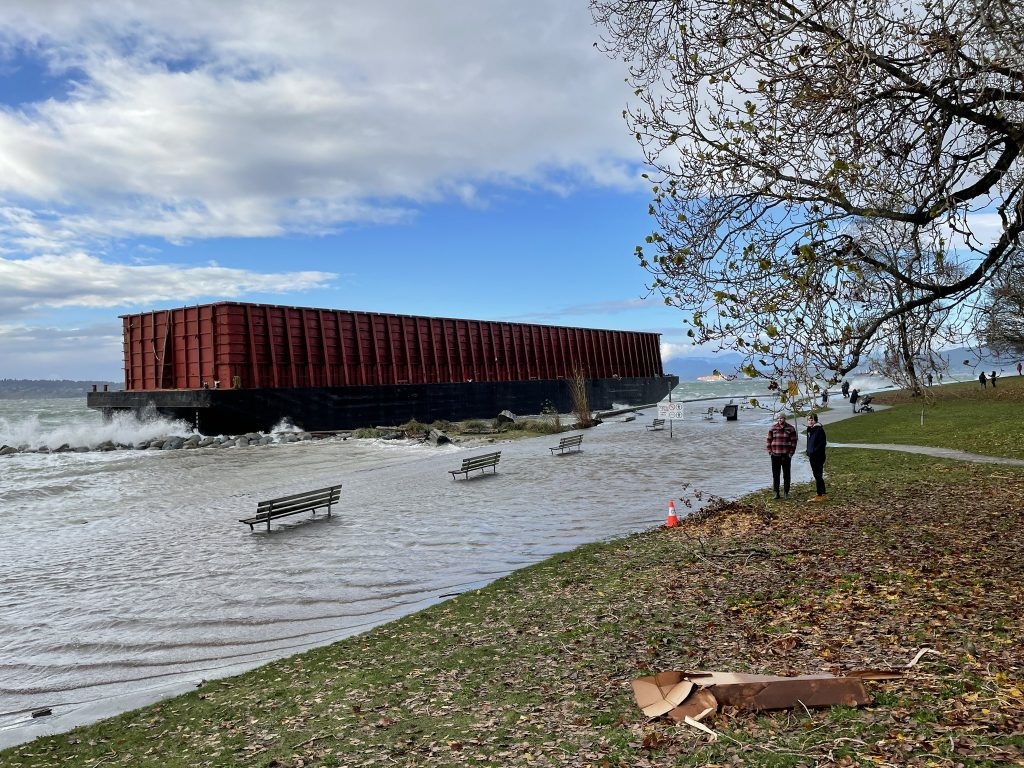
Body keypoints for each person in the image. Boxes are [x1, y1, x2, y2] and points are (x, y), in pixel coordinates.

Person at [766, 414, 798, 500]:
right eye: (779, 418)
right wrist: (770, 451)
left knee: (786, 475)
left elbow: (794, 442)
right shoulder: (773, 428)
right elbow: (769, 440)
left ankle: (786, 493)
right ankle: (776, 493)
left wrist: (791, 453)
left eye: (782, 418)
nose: (780, 419)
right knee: (776, 475)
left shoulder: (791, 428)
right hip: (775, 455)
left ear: (785, 419)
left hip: (786, 456)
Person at [805, 413, 827, 502]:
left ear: (815, 420)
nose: (810, 421)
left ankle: (820, 493)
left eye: (812, 420)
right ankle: (822, 491)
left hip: (818, 456)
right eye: (809, 420)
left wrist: (814, 451)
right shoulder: (810, 430)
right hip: (812, 456)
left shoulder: (819, 429)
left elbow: (822, 443)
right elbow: (809, 442)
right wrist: (808, 451)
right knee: (816, 474)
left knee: (818, 474)